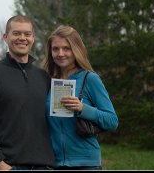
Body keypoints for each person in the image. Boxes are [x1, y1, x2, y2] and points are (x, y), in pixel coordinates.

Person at [0, 15, 56, 170]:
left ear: (33, 38)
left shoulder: (44, 77)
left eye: (27, 34)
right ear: (5, 37)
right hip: (9, 166)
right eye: (16, 33)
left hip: (45, 166)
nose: (22, 38)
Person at [43, 25, 118, 170]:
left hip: (86, 164)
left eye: (66, 48)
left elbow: (112, 121)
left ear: (76, 49)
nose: (60, 53)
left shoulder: (90, 79)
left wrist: (82, 108)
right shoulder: (46, 81)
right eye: (55, 49)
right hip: (53, 164)